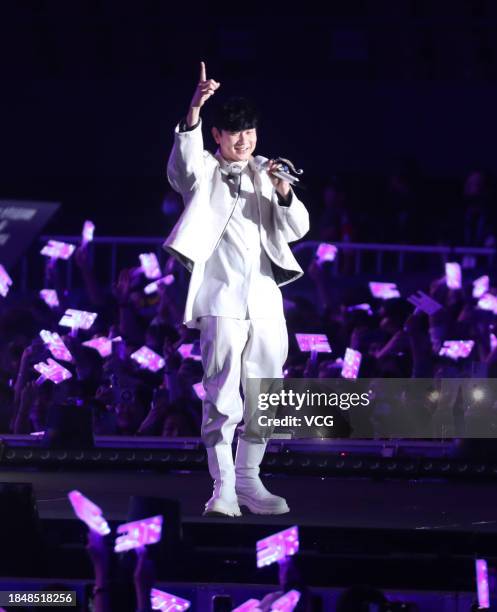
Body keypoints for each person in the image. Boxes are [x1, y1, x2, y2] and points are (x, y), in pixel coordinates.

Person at [164, 61, 309, 517]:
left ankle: (250, 480)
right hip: (221, 301)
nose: (243, 139)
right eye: (234, 132)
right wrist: (194, 109)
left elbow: (299, 228)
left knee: (267, 393)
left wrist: (284, 193)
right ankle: (223, 488)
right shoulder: (204, 170)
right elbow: (181, 167)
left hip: (265, 301)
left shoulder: (269, 171)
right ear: (218, 136)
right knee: (223, 395)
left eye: (249, 131)